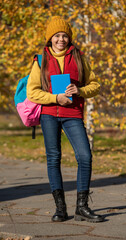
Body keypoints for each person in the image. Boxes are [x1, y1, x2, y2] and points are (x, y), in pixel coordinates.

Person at [27, 16, 104, 223]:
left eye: (65, 36)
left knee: (85, 157)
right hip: (49, 115)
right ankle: (60, 208)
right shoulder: (40, 59)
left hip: (73, 115)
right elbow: (32, 92)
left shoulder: (79, 57)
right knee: (54, 159)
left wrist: (79, 90)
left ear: (69, 38)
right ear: (50, 38)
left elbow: (95, 85)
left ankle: (82, 207)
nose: (61, 39)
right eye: (57, 36)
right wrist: (54, 98)